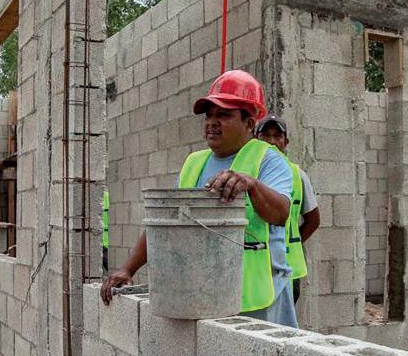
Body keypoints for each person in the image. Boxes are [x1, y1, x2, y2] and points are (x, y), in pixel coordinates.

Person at [101, 70, 298, 328]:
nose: (212, 122)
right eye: (209, 115)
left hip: (260, 296)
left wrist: (252, 185)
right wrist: (128, 269)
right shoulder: (193, 163)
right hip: (204, 292)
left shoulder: (269, 159)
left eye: (223, 115)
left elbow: (280, 213)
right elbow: (167, 222)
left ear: (249, 124)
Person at [255, 115, 320, 303]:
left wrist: (292, 243)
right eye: (265, 135)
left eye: (277, 136)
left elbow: (313, 220)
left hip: (288, 267)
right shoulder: (248, 171)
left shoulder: (298, 175)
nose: (271, 141)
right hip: (255, 264)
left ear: (286, 142)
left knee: (284, 319)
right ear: (255, 139)